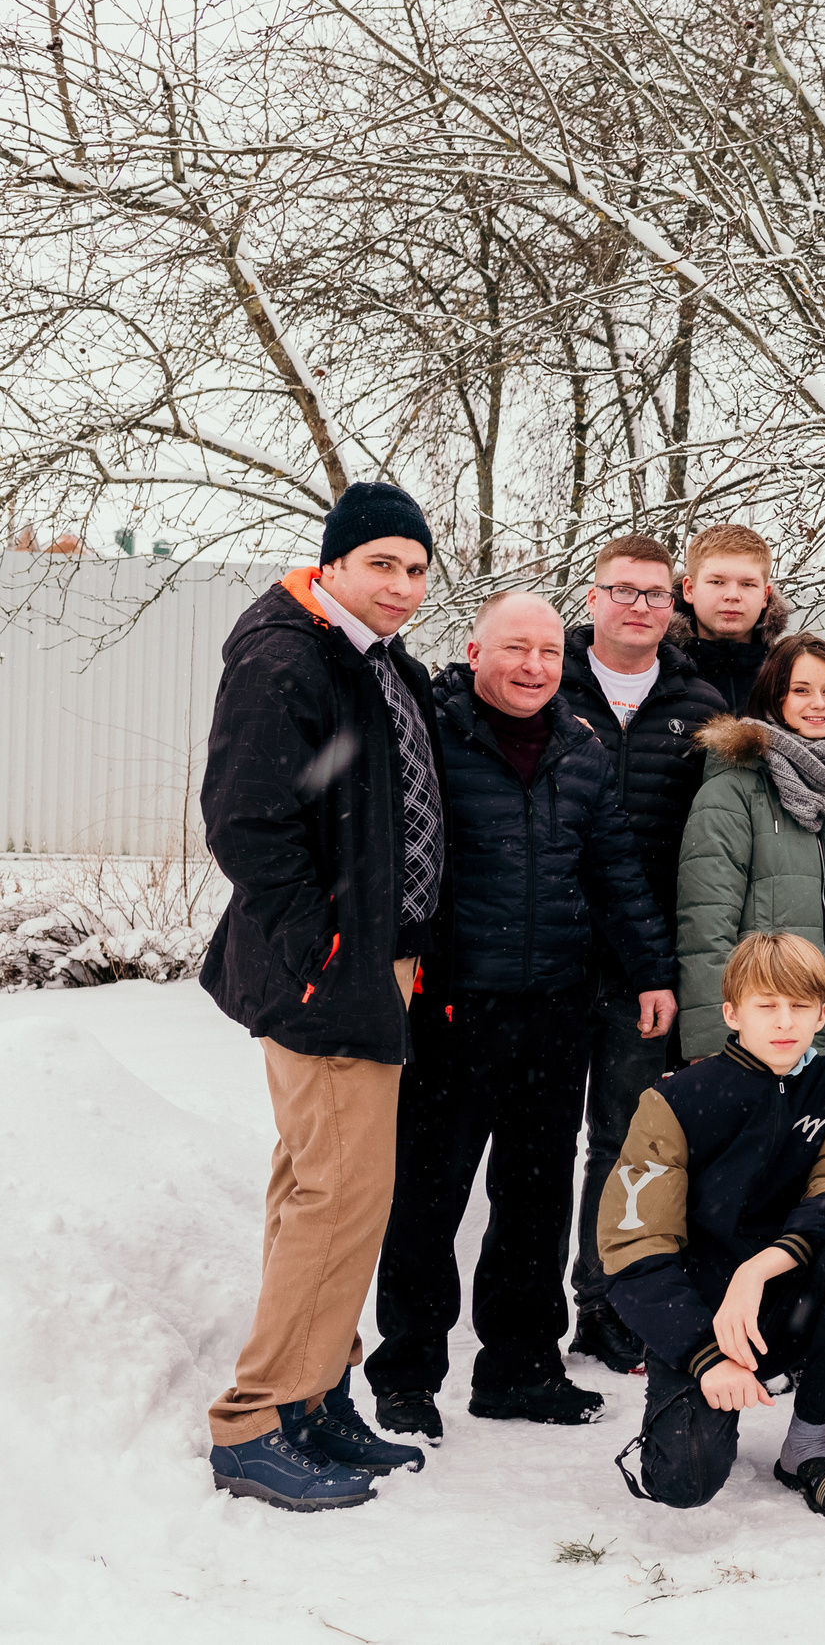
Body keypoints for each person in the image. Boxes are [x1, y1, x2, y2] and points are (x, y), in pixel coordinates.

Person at [368, 593, 678, 1441]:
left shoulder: (580, 747)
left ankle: (519, 1368)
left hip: (556, 1007)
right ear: (475, 650)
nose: (535, 664)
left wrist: (652, 969)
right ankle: (406, 1371)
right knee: (432, 1192)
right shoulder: (432, 733)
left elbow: (613, 867)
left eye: (547, 649)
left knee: (536, 1193)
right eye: (515, 647)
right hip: (454, 1006)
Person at [199, 483, 447, 1510]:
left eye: (417, 569)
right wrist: (326, 947)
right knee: (341, 1195)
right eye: (382, 563)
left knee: (320, 1188)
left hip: (372, 962)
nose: (402, 585)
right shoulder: (286, 654)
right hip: (327, 969)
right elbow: (247, 821)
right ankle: (256, 1419)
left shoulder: (370, 658)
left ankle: (315, 1395)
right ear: (335, 563)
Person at [603, 933, 825, 1519]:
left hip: (789, 1297)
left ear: (822, 1011)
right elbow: (633, 1248)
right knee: (682, 1482)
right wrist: (703, 1353)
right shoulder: (678, 1100)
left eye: (800, 1005)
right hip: (701, 1313)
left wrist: (761, 1266)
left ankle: (805, 1447)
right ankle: (706, 1403)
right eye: (767, 1005)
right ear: (732, 1012)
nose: (784, 1022)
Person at [558, 534, 726, 1379]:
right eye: (621, 590)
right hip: (544, 955)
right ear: (591, 598)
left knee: (624, 1140)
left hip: (643, 965)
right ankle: (517, 1316)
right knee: (538, 1138)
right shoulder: (544, 681)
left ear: (676, 604)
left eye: (655, 594)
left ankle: (604, 1303)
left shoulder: (698, 706)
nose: (638, 606)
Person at [676, 635, 825, 1089]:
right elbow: (705, 924)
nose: (818, 703)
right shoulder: (733, 790)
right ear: (775, 698)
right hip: (762, 1037)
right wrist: (712, 1039)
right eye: (800, 690)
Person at [672, 523, 789, 714]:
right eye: (717, 582)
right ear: (689, 589)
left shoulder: (788, 677)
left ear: (765, 596)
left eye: (747, 584)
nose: (732, 595)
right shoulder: (654, 671)